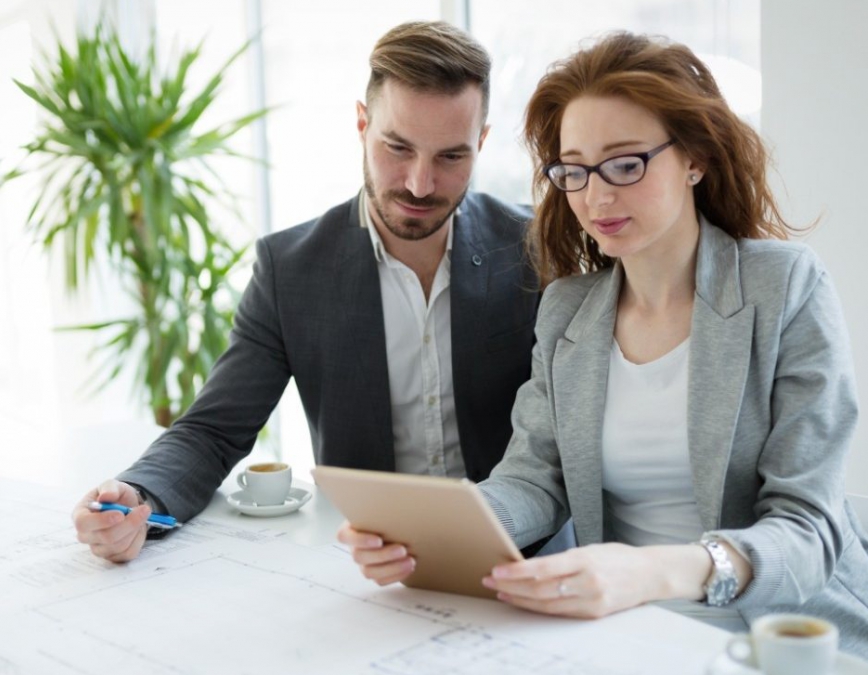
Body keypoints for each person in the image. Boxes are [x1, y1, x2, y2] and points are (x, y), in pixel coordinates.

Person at [340, 31, 868, 675]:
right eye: (574, 170)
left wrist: (654, 572)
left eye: (626, 164)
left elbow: (808, 531)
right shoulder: (568, 312)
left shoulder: (784, 290)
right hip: (629, 636)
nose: (596, 197)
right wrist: (431, 525)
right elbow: (533, 479)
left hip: (786, 636)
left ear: (694, 156)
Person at [72, 21, 538, 563]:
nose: (419, 183)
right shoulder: (289, 270)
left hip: (522, 556)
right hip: (367, 569)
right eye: (397, 147)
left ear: (481, 143)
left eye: (451, 157)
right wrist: (140, 494)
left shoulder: (533, 248)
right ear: (362, 125)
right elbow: (214, 430)